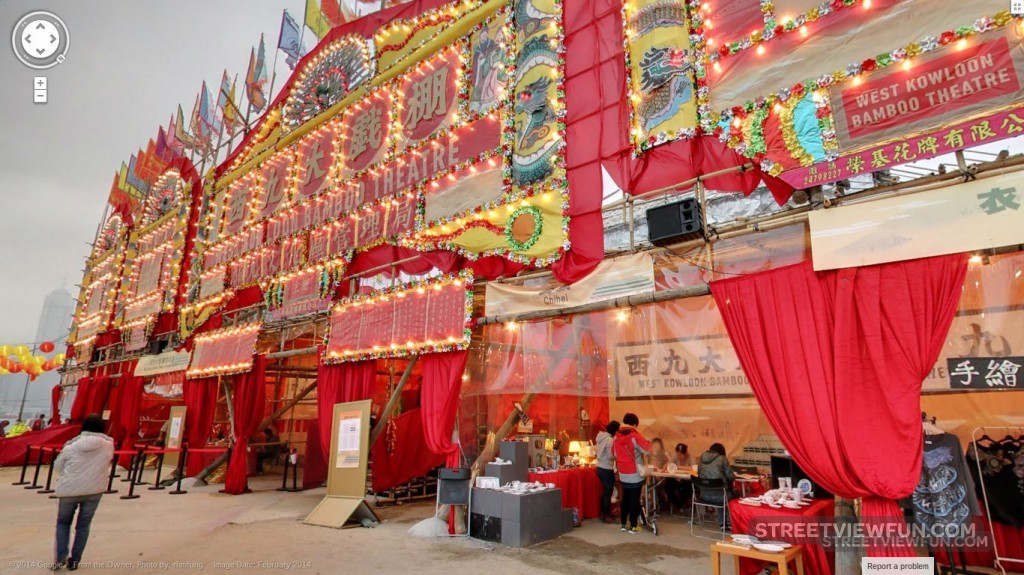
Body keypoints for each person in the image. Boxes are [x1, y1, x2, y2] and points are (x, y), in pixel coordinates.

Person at [53, 413, 115, 570]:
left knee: (63, 523)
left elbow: (57, 467)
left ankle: (60, 557)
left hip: (68, 490)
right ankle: (75, 560)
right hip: (94, 490)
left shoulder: (71, 446)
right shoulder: (108, 445)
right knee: (83, 525)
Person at [612, 413, 651, 533]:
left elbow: (614, 454)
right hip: (635, 473)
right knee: (635, 499)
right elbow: (648, 449)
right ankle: (633, 525)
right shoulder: (635, 436)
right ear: (634, 424)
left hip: (623, 472)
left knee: (625, 499)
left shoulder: (616, 437)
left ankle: (623, 524)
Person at [697, 443, 735, 526]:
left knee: (718, 490)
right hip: (721, 497)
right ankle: (732, 522)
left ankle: (723, 523)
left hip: (704, 496)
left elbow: (699, 475)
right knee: (731, 493)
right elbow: (731, 477)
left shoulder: (701, 458)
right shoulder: (722, 458)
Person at [595, 420, 620, 524]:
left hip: (599, 467)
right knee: (608, 493)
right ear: (615, 431)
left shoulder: (601, 437)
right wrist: (617, 454)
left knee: (605, 492)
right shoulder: (610, 440)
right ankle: (606, 515)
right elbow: (611, 456)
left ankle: (603, 513)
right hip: (606, 468)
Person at [666, 443, 694, 512]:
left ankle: (680, 506)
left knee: (687, 489)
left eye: (681, 455)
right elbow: (669, 464)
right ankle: (678, 505)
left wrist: (679, 467)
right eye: (677, 454)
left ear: (686, 453)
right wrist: (667, 466)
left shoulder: (691, 457)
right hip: (677, 480)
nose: (679, 456)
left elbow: (694, 468)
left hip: (687, 481)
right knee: (667, 486)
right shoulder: (675, 456)